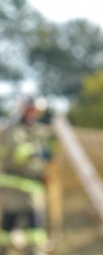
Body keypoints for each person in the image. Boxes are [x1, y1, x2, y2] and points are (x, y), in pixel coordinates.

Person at [0, 97, 55, 254]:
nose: (33, 114)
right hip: (14, 188)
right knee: (7, 228)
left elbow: (49, 153)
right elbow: (17, 154)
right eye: (30, 110)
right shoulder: (13, 129)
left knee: (35, 230)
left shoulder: (40, 130)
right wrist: (35, 151)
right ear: (23, 110)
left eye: (36, 111)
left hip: (33, 188)